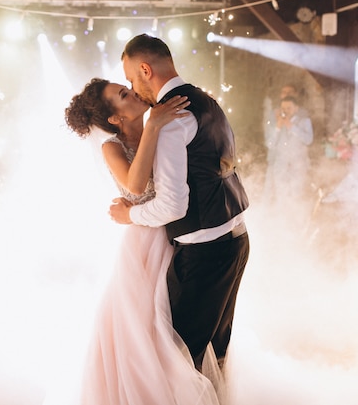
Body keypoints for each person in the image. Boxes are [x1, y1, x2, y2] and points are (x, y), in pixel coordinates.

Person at [59, 78, 221, 405]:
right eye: (123, 95)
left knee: (180, 320)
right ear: (116, 119)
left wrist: (157, 124)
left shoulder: (158, 125)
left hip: (181, 231)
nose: (133, 92)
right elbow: (136, 185)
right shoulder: (112, 146)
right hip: (145, 243)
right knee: (149, 328)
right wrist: (154, 126)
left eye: (127, 87)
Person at [110, 33, 251, 374]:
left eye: (130, 79)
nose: (132, 86)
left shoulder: (170, 121)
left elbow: (173, 207)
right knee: (215, 354)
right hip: (237, 240)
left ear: (145, 69)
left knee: (178, 360)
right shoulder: (205, 99)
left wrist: (130, 215)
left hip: (203, 253)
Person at [262, 95, 314, 214]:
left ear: (296, 108)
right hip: (280, 166)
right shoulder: (276, 122)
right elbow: (269, 144)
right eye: (283, 108)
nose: (285, 111)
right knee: (282, 196)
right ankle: (283, 222)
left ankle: (296, 223)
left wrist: (292, 127)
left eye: (288, 108)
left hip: (298, 165)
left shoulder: (305, 121)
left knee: (296, 195)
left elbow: (308, 140)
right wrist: (278, 128)